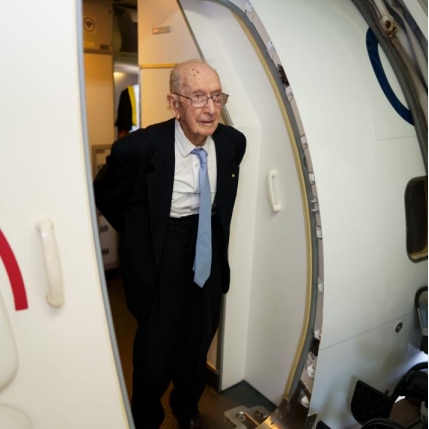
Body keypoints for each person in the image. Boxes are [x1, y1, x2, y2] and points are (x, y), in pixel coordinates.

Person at [93, 59, 246, 429]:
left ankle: (188, 408)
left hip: (206, 246)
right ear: (173, 103)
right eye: (197, 97)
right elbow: (105, 194)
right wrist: (137, 233)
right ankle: (145, 417)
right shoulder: (140, 148)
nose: (211, 109)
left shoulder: (232, 143)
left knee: (198, 340)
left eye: (216, 96)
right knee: (154, 348)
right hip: (163, 251)